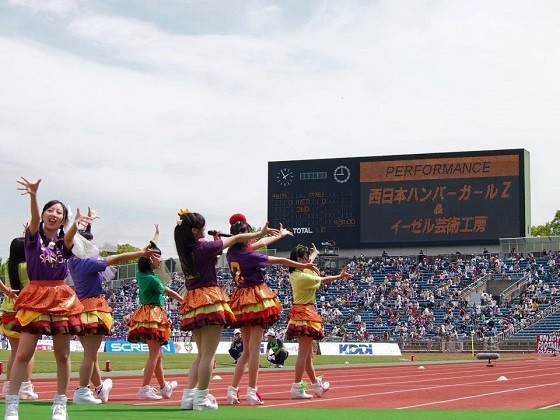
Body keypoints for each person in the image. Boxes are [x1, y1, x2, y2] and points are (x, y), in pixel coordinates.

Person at [5, 177, 92, 420]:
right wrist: (33, 196)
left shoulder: (64, 243)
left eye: (59, 212)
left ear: (63, 220)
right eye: (50, 210)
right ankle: (12, 405)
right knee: (23, 354)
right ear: (44, 214)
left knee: (62, 355)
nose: (54, 214)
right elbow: (33, 219)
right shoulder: (33, 239)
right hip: (35, 295)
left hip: (60, 297)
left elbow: (70, 237)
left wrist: (75, 223)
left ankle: (60, 404)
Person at [173, 208, 278, 411]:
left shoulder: (186, 250)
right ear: (194, 230)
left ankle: (188, 397)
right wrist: (259, 233)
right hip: (209, 299)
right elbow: (236, 239)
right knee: (208, 356)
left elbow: (212, 256)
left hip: (192, 300)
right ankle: (201, 398)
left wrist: (216, 243)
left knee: (200, 355)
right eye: (202, 227)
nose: (205, 230)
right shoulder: (204, 247)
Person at [68, 214, 162, 404]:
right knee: (90, 356)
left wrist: (87, 228)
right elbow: (116, 258)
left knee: (91, 356)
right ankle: (82, 390)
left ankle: (100, 388)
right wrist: (140, 253)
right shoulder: (88, 263)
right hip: (93, 308)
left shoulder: (73, 261)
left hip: (79, 308)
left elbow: (82, 243)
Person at [225, 215, 316, 405]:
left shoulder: (232, 253)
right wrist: (302, 265)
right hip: (255, 299)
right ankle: (252, 391)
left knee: (247, 352)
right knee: (253, 350)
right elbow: (279, 260)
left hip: (240, 300)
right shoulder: (250, 256)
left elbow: (262, 242)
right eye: (249, 234)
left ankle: (232, 390)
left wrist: (279, 236)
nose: (252, 237)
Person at [287, 244, 352, 399]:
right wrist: (339, 276)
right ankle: (296, 387)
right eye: (305, 257)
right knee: (303, 355)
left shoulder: (298, 271)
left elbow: (308, 263)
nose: (308, 260)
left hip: (301, 311)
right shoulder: (302, 277)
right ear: (299, 259)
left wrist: (315, 253)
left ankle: (316, 386)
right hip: (305, 313)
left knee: (308, 355)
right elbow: (322, 279)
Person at [127, 240, 183, 401]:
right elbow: (168, 291)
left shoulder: (140, 273)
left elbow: (144, 253)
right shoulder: (152, 279)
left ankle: (164, 386)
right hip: (153, 314)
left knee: (158, 355)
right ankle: (144, 388)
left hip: (145, 313)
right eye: (158, 257)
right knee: (154, 355)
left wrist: (155, 238)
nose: (161, 260)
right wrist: (183, 301)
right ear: (151, 258)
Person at [0, 237, 39, 401]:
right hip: (24, 312)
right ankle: (26, 387)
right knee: (28, 353)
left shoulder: (7, 265)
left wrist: (5, 290)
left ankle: (8, 387)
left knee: (15, 353)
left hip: (7, 312)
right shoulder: (28, 266)